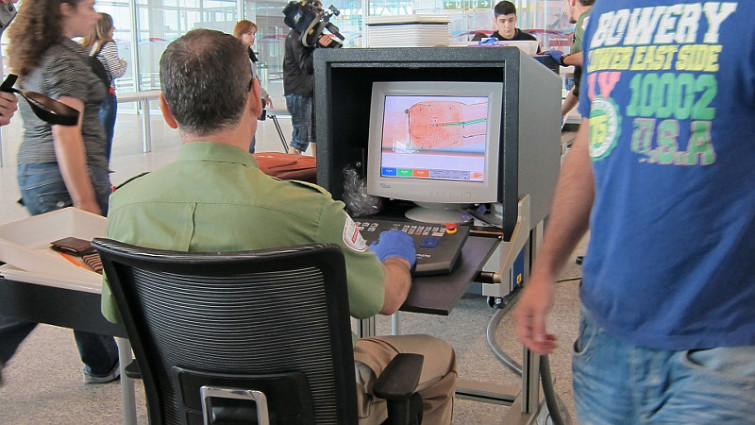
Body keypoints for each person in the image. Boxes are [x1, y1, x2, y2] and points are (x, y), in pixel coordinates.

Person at [101, 29, 457, 425]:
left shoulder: (126, 205)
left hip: (195, 404)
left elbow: (115, 311)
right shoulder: (309, 211)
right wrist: (397, 254)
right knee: (438, 353)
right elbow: (384, 300)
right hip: (311, 406)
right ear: (255, 97)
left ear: (167, 111)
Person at [513, 1, 755, 424]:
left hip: (724, 349)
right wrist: (544, 270)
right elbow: (591, 148)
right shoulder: (608, 14)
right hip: (606, 334)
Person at [2, 0, 120, 386]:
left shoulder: (38, 53)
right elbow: (64, 131)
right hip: (62, 177)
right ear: (64, 8)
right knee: (60, 269)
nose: (95, 13)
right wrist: (84, 202)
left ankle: (102, 362)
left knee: (71, 267)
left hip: (36, 172)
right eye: (88, 5)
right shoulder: (65, 58)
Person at [282, 0, 332, 156]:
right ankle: (291, 170)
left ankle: (317, 170)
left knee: (317, 135)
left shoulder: (308, 35)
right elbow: (307, 67)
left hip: (308, 90)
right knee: (300, 137)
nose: (319, 16)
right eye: (317, 12)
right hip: (298, 92)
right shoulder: (296, 36)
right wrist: (320, 48)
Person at [81, 12, 127, 163]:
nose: (114, 28)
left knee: (92, 138)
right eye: (111, 25)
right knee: (105, 138)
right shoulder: (108, 45)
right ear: (105, 27)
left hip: (89, 97)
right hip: (107, 96)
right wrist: (124, 63)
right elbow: (117, 71)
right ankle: (103, 175)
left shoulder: (86, 46)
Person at [542, 0, 594, 121]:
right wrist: (560, 113)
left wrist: (564, 59)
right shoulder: (594, 18)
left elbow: (592, 55)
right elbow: (578, 88)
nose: (564, 10)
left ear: (572, 2)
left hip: (594, 106)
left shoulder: (586, 20)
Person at [233, 19, 273, 154]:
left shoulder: (247, 54)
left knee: (249, 141)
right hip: (242, 102)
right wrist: (263, 94)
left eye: (254, 34)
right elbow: (251, 80)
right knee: (247, 143)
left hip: (247, 101)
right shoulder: (237, 56)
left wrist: (263, 94)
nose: (252, 37)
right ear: (240, 34)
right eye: (249, 34)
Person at [471, 0, 541, 53]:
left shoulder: (530, 42)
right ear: (495, 21)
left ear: (516, 19)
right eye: (502, 21)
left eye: (511, 20)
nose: (507, 26)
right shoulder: (490, 44)